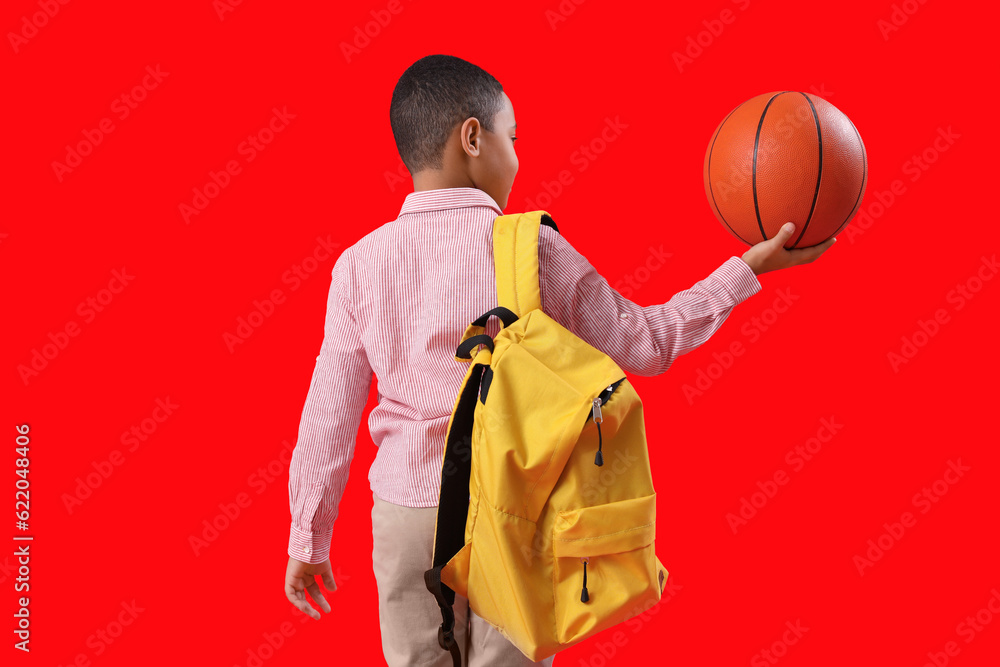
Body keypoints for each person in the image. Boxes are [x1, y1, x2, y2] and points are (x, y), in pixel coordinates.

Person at [282, 54, 835, 666]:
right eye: (511, 137)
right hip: (514, 511)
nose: (515, 156)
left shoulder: (360, 264)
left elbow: (329, 413)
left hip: (405, 518)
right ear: (473, 138)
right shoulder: (529, 248)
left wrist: (308, 536)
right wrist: (743, 271)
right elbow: (645, 343)